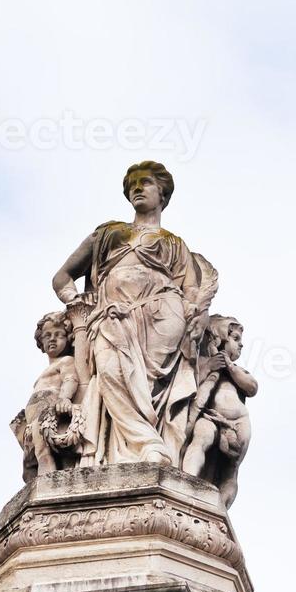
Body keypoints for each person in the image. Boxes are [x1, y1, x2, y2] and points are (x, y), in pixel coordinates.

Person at [51, 162, 217, 467]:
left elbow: (192, 292)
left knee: (152, 386)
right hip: (111, 317)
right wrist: (76, 302)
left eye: (146, 183)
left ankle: (155, 443)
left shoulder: (174, 244)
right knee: (113, 373)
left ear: (162, 194)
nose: (138, 188)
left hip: (164, 315)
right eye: (133, 185)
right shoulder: (108, 233)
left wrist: (201, 315)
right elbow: (62, 277)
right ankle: (149, 445)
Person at [182, 316, 256, 507]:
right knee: (201, 439)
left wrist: (230, 367)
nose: (241, 345)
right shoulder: (203, 363)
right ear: (222, 337)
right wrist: (209, 367)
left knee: (231, 470)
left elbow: (252, 387)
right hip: (209, 416)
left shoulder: (238, 371)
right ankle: (185, 485)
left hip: (239, 422)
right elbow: (189, 383)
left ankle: (220, 509)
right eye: (236, 339)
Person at [11, 311, 81, 481]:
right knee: (30, 456)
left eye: (59, 335)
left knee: (43, 451)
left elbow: (70, 379)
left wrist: (65, 398)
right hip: (33, 416)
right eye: (47, 335)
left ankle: (47, 477)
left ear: (68, 338)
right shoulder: (45, 371)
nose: (52, 339)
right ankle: (35, 480)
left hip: (47, 410)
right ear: (40, 342)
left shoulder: (66, 361)